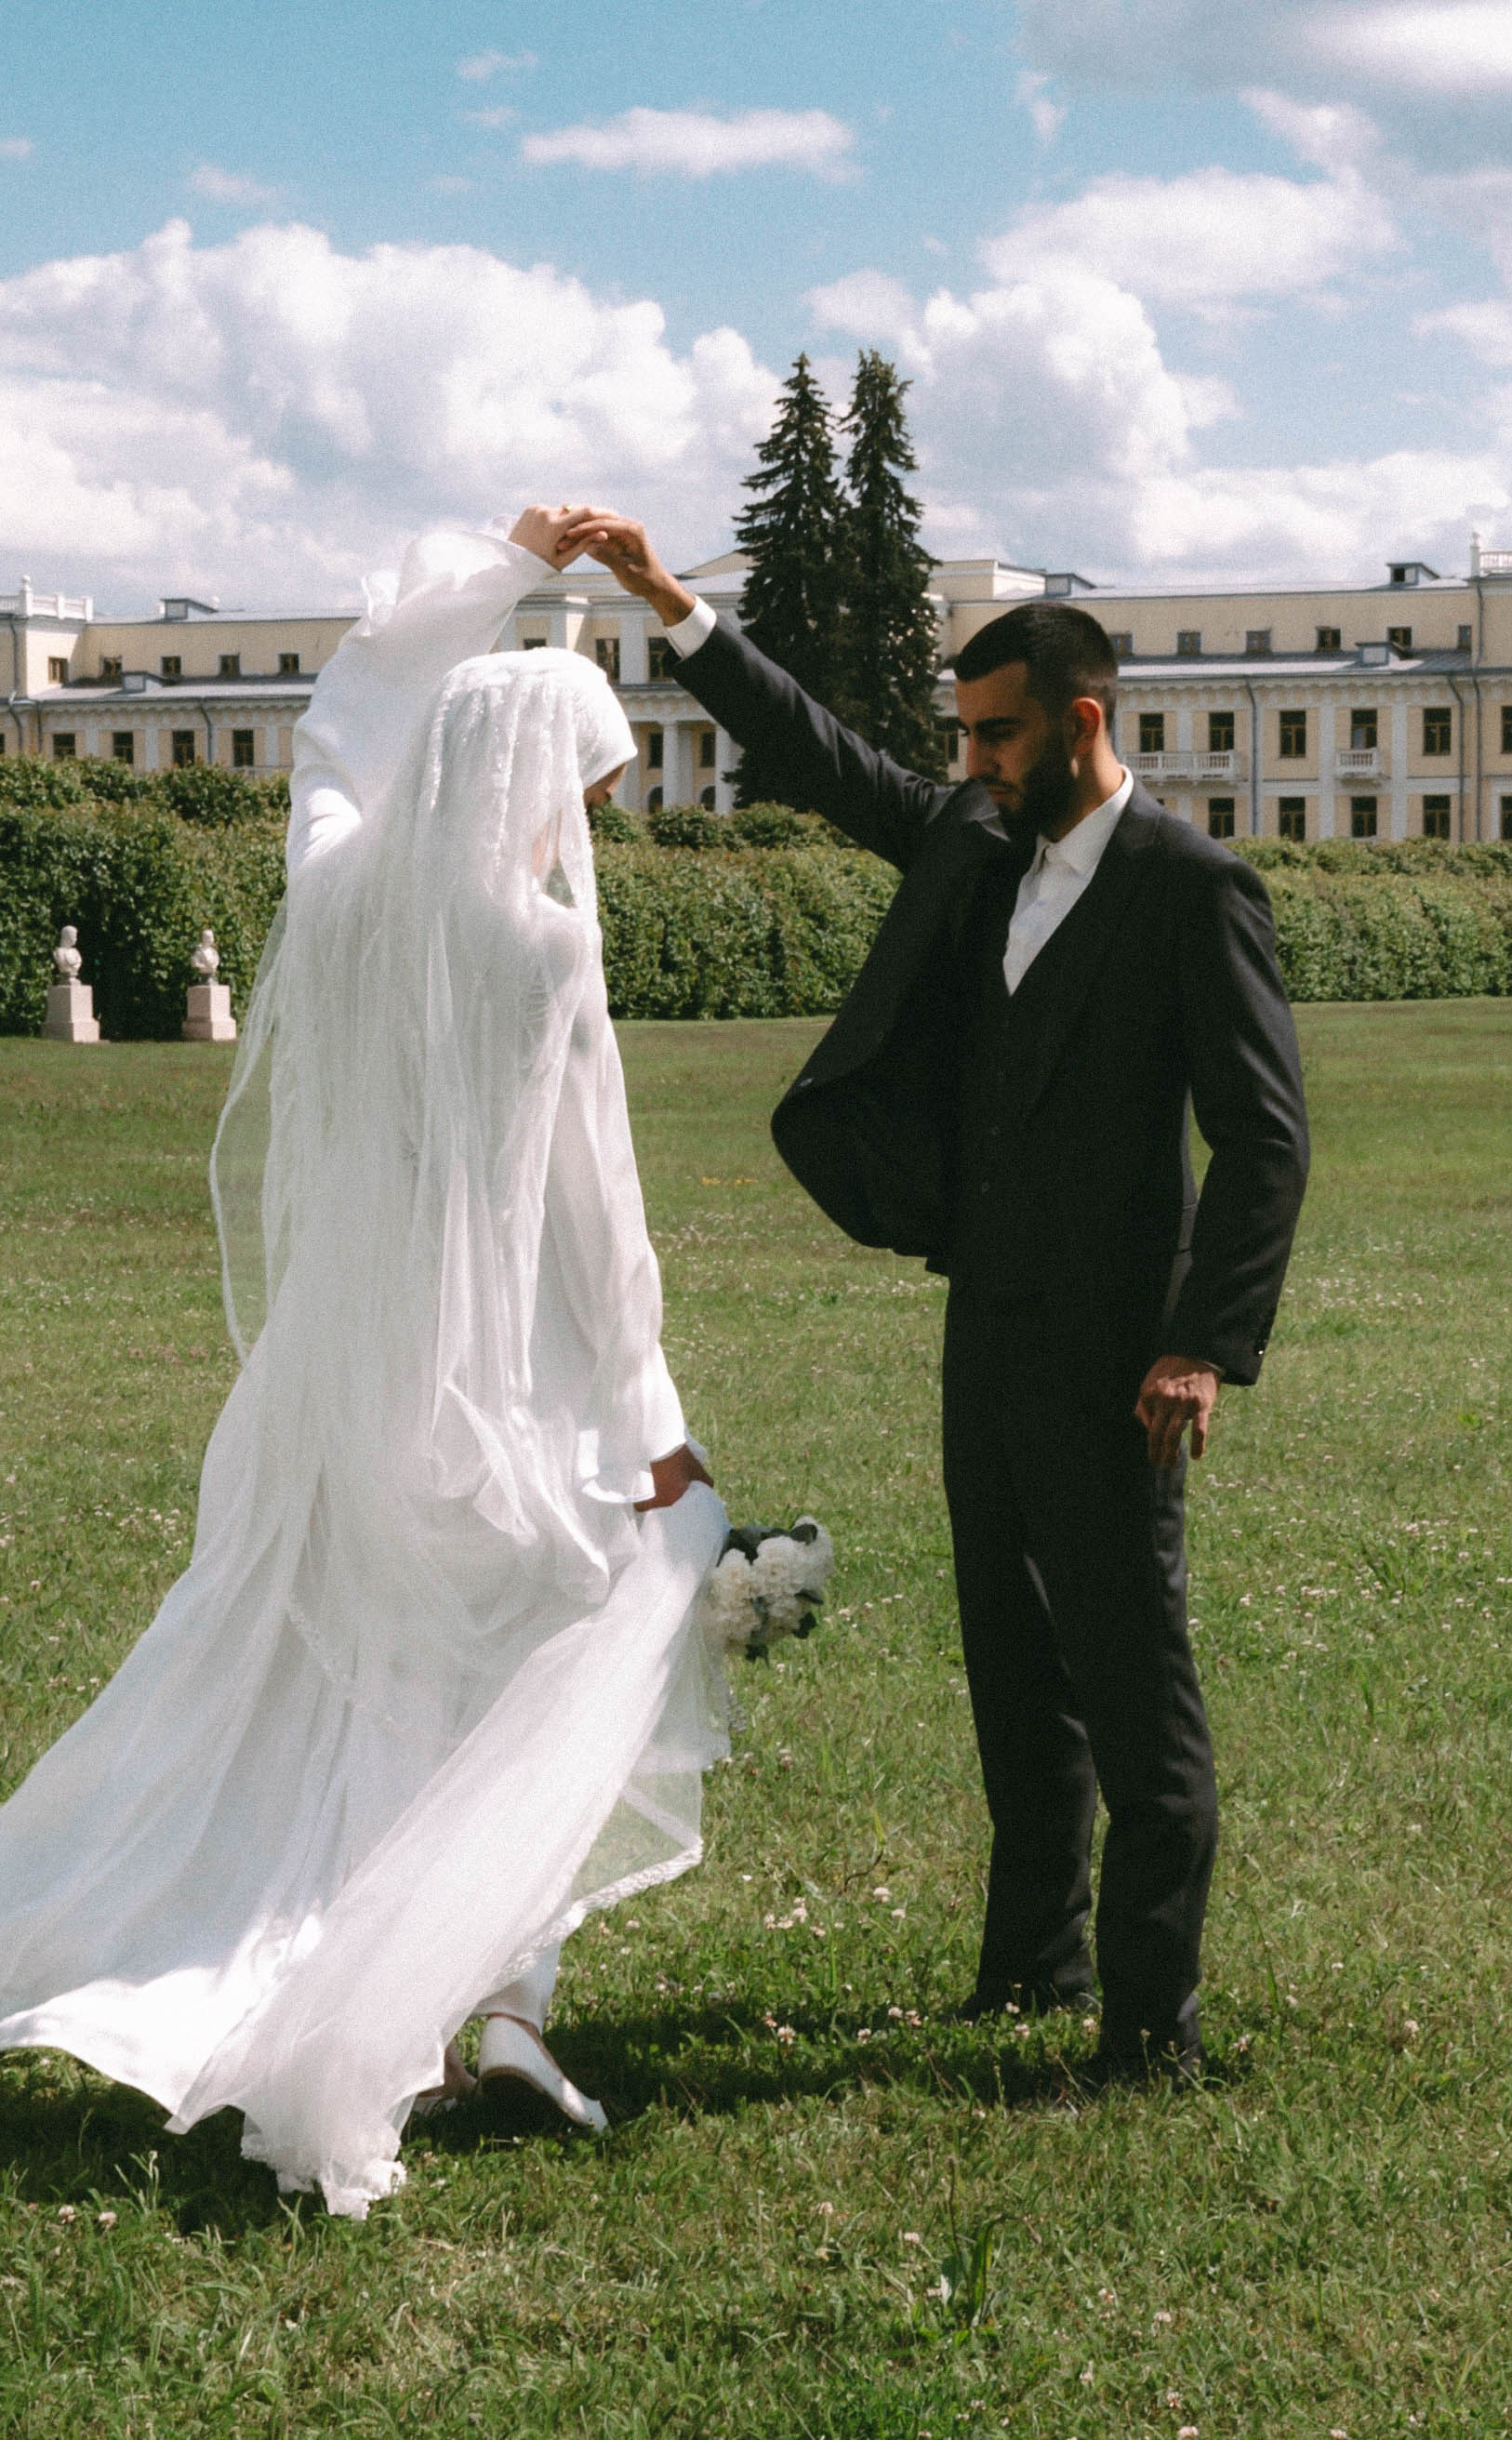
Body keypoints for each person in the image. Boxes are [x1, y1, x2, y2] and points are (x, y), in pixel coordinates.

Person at [0, 507, 724, 2216]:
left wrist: (494, 566)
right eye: (588, 790)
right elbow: (591, 1207)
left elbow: (344, 714)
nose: (589, 824)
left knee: (340, 1673)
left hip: (349, 1373)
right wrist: (656, 1425)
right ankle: (492, 1992)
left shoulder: (331, 894)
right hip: (512, 1375)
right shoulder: (544, 947)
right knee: (549, 1657)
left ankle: (366, 1954)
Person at [577, 511, 1308, 2078]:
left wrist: (1202, 1345)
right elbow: (833, 764)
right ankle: (1032, 1968)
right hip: (985, 1333)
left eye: (1000, 734)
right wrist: (676, 612)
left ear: (1082, 722)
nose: (972, 761)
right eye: (963, 737)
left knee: (1134, 1685)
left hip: (1124, 1356)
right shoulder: (984, 843)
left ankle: (1150, 2030)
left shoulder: (1195, 892)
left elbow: (1265, 1137)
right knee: (1014, 1670)